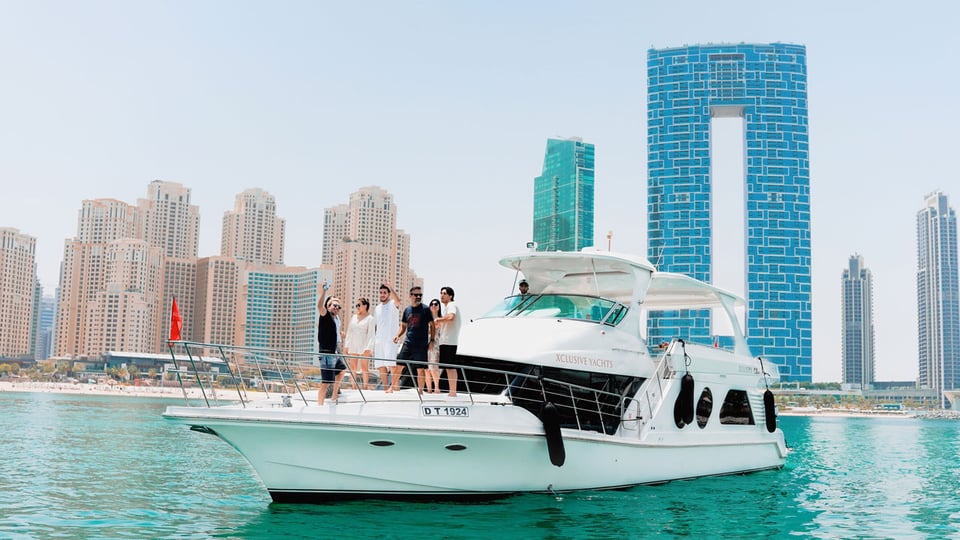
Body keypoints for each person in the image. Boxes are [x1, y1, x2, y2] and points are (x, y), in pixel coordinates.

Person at [394, 286, 434, 393]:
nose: (418, 297)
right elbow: (403, 326)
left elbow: (432, 325)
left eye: (420, 295)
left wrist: (432, 340)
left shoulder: (425, 309)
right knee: (399, 366)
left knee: (420, 369)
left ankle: (420, 391)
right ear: (410, 296)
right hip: (408, 342)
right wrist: (397, 335)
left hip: (421, 344)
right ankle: (392, 388)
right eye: (416, 295)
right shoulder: (407, 310)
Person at [316, 279, 346, 405]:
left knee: (342, 370)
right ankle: (319, 405)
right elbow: (319, 306)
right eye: (334, 305)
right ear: (329, 306)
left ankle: (334, 396)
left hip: (333, 353)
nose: (336, 308)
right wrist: (324, 291)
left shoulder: (335, 320)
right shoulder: (326, 315)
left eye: (338, 307)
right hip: (326, 354)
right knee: (325, 382)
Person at [434, 286, 462, 397]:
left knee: (450, 367)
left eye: (444, 293)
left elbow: (451, 317)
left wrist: (438, 319)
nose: (442, 295)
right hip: (445, 341)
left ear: (450, 296)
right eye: (441, 293)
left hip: (449, 341)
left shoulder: (451, 305)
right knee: (447, 367)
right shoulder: (446, 308)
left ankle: (453, 392)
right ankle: (452, 391)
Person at [374, 284, 402, 392]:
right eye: (381, 292)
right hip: (379, 340)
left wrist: (391, 288)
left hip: (390, 340)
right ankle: (385, 388)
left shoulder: (392, 304)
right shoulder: (377, 308)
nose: (382, 295)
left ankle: (395, 388)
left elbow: (398, 300)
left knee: (391, 364)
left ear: (389, 294)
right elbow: (376, 325)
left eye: (385, 292)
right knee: (381, 366)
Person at [344, 297, 376, 390]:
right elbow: (349, 331)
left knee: (364, 367)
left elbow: (371, 334)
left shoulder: (370, 319)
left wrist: (369, 348)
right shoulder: (354, 317)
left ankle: (365, 387)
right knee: (352, 366)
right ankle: (353, 387)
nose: (357, 307)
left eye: (359, 305)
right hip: (353, 343)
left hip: (364, 344)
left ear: (365, 306)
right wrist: (347, 345)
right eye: (356, 305)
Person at [426, 298, 442, 393]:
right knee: (426, 369)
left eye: (436, 304)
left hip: (436, 345)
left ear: (439, 306)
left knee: (433, 368)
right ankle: (429, 390)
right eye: (432, 304)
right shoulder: (426, 319)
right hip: (426, 345)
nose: (433, 305)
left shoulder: (441, 319)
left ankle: (437, 388)